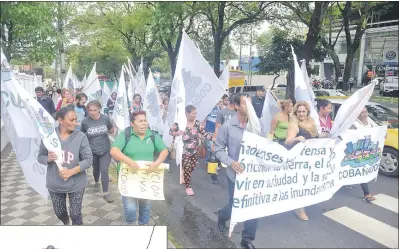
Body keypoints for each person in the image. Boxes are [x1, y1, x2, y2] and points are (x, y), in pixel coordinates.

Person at [215, 94, 258, 249]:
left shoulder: (257, 126)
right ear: (237, 106)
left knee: (253, 206)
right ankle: (222, 215)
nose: (250, 107)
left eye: (251, 103)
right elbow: (218, 149)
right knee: (235, 206)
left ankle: (247, 239)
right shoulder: (227, 127)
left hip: (254, 175)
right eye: (246, 104)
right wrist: (231, 162)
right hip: (235, 175)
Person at [37, 106, 93, 225]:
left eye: (76, 119)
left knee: (76, 214)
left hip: (77, 183)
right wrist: (48, 158)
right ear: (60, 120)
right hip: (55, 184)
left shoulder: (80, 136)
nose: (75, 123)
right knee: (59, 212)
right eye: (71, 120)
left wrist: (70, 172)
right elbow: (40, 157)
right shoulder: (49, 137)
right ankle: (66, 223)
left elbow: (88, 160)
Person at [110, 111, 168, 225]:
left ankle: (143, 226)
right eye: (140, 121)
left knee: (146, 206)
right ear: (132, 123)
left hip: (146, 178)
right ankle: (130, 224)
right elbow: (114, 151)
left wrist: (156, 163)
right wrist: (129, 162)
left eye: (145, 120)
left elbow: (164, 151)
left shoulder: (152, 136)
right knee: (130, 208)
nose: (144, 124)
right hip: (128, 178)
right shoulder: (125, 135)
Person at [285, 101, 319, 221]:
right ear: (295, 112)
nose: (301, 113)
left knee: (308, 182)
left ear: (307, 112)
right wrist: (296, 138)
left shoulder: (312, 123)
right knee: (301, 183)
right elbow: (287, 141)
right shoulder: (294, 124)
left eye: (303, 111)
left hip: (312, 158)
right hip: (299, 159)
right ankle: (299, 208)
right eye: (299, 111)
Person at [169, 105, 212, 196]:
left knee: (192, 167)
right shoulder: (180, 123)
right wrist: (177, 133)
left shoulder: (197, 123)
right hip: (184, 151)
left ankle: (185, 175)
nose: (195, 115)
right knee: (188, 168)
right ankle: (188, 186)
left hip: (195, 150)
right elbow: (170, 132)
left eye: (196, 113)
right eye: (193, 113)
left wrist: (213, 138)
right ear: (187, 114)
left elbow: (204, 133)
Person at [81, 100, 115, 203]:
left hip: (105, 149)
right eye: (90, 110)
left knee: (104, 170)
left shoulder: (105, 118)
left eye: (95, 110)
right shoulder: (85, 121)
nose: (93, 112)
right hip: (92, 150)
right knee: (96, 169)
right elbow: (82, 135)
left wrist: (113, 130)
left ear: (99, 109)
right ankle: (96, 182)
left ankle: (106, 193)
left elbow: (111, 129)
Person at [346, 107, 377, 201]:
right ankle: (367, 193)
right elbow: (350, 136)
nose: (365, 114)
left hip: (368, 149)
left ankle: (346, 181)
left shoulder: (370, 120)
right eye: (362, 112)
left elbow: (377, 129)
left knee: (358, 168)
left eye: (366, 111)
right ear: (358, 114)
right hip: (357, 150)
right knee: (361, 168)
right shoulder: (354, 124)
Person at [210, 94, 237, 184]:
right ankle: (214, 176)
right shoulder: (222, 112)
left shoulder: (239, 113)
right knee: (217, 159)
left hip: (233, 141)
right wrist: (214, 142)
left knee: (232, 159)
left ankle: (232, 177)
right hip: (222, 139)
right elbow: (217, 128)